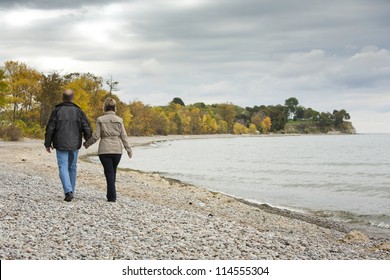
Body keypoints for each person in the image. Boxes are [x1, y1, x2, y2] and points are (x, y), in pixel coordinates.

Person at [44, 89, 92, 202]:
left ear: (62, 97)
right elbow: (87, 127)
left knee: (63, 167)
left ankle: (68, 191)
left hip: (61, 143)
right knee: (72, 167)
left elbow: (50, 128)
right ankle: (71, 191)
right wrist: (88, 140)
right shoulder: (79, 112)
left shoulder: (57, 111)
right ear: (72, 97)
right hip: (75, 144)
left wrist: (47, 143)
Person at [83, 97, 132, 202]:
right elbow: (124, 136)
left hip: (104, 150)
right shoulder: (119, 120)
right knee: (112, 172)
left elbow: (96, 136)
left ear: (104, 107)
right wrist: (128, 150)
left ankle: (112, 197)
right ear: (115, 108)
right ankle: (110, 195)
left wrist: (87, 144)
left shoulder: (100, 119)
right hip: (117, 150)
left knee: (109, 172)